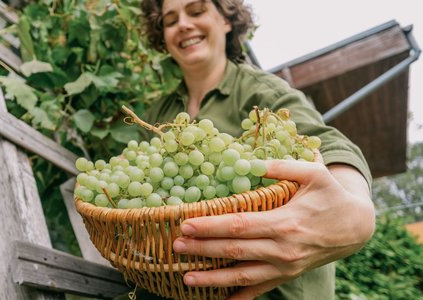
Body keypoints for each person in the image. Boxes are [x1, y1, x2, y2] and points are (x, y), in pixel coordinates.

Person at [136, 0, 376, 299]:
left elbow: (325, 143)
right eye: (170, 21)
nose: (183, 24)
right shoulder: (155, 115)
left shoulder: (264, 94)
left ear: (226, 21)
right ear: (164, 37)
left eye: (196, 12)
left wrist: (355, 210)